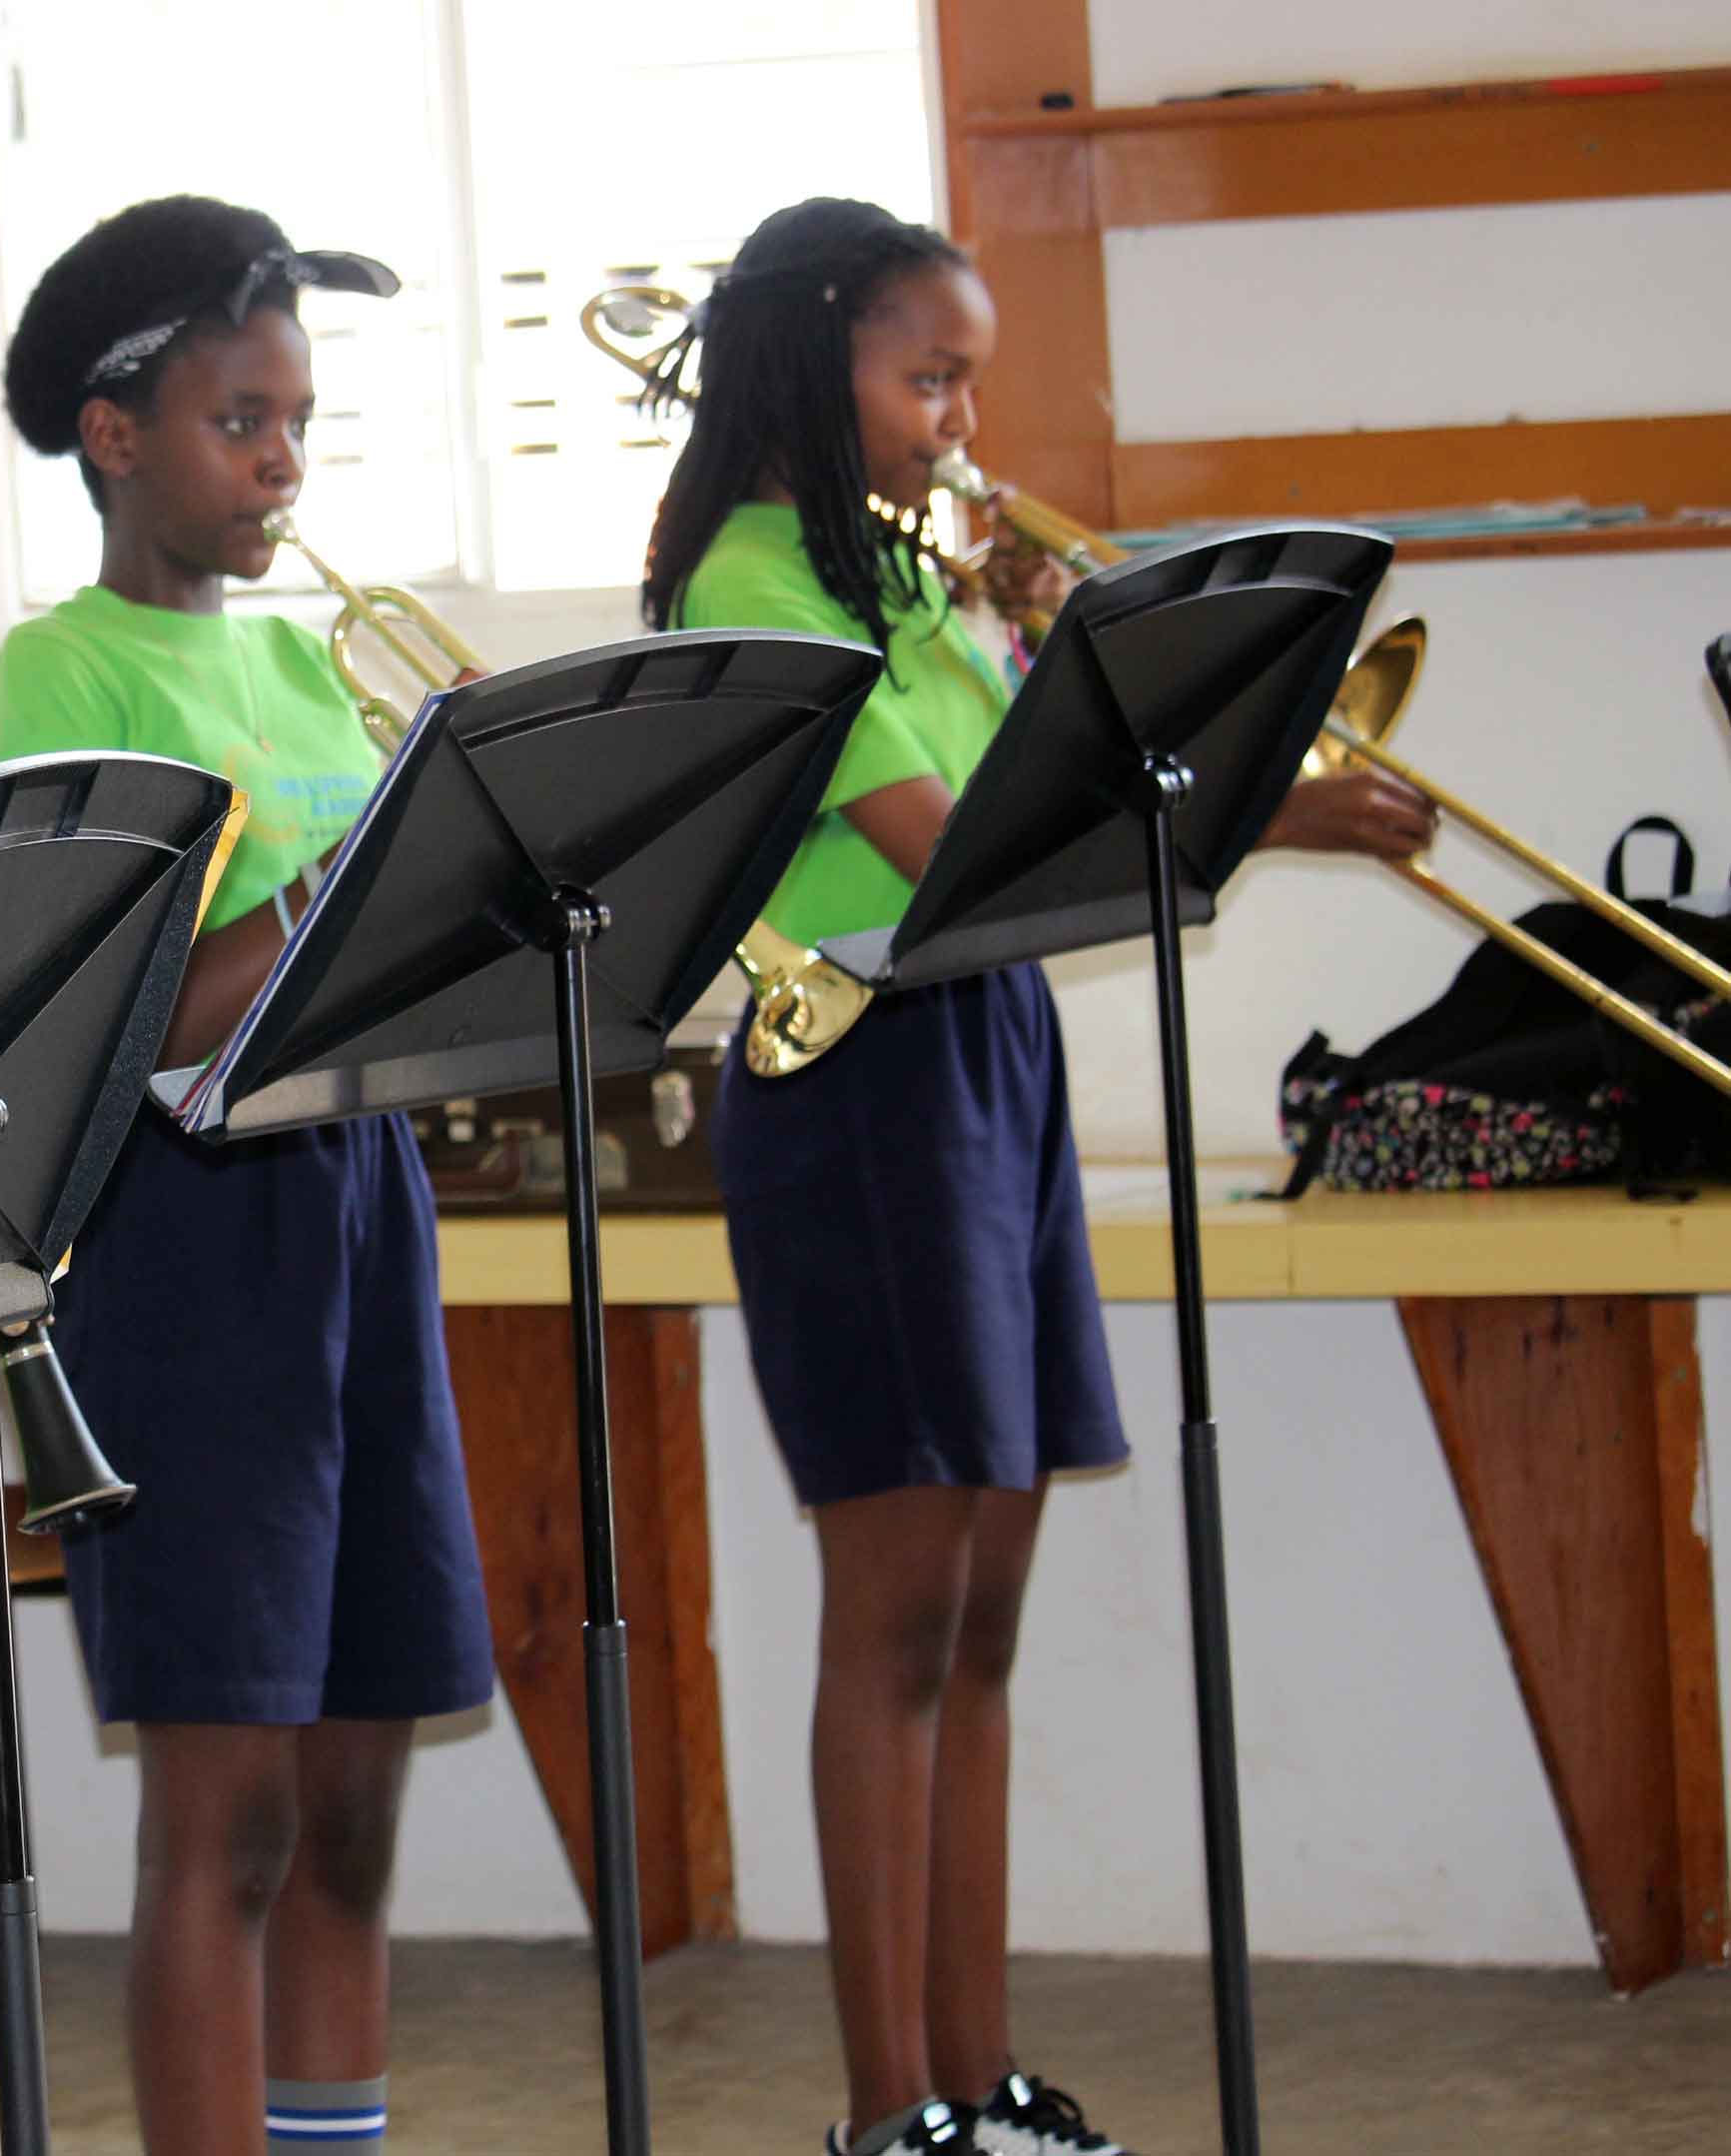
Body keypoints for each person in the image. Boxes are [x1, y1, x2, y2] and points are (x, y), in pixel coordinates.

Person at [638, 194, 1437, 2156]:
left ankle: (973, 2077)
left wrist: (1191, 740)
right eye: (923, 374)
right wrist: (1266, 792)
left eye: (960, 378)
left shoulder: (905, 575)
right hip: (859, 1081)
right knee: (893, 1610)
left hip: (982, 1058)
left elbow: (1032, 821)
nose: (951, 416)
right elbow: (957, 841)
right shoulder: (760, 576)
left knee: (977, 1611)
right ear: (808, 362)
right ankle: (881, 2104)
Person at [0, 194, 499, 2155]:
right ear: (115, 435)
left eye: (297, 422)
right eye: (239, 421)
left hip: (357, 1202)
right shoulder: (61, 675)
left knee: (354, 1786)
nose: (281, 462)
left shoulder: (299, 671)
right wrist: (341, 891)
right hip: (185, 1241)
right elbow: (120, 1012)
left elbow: (371, 972)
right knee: (230, 1802)